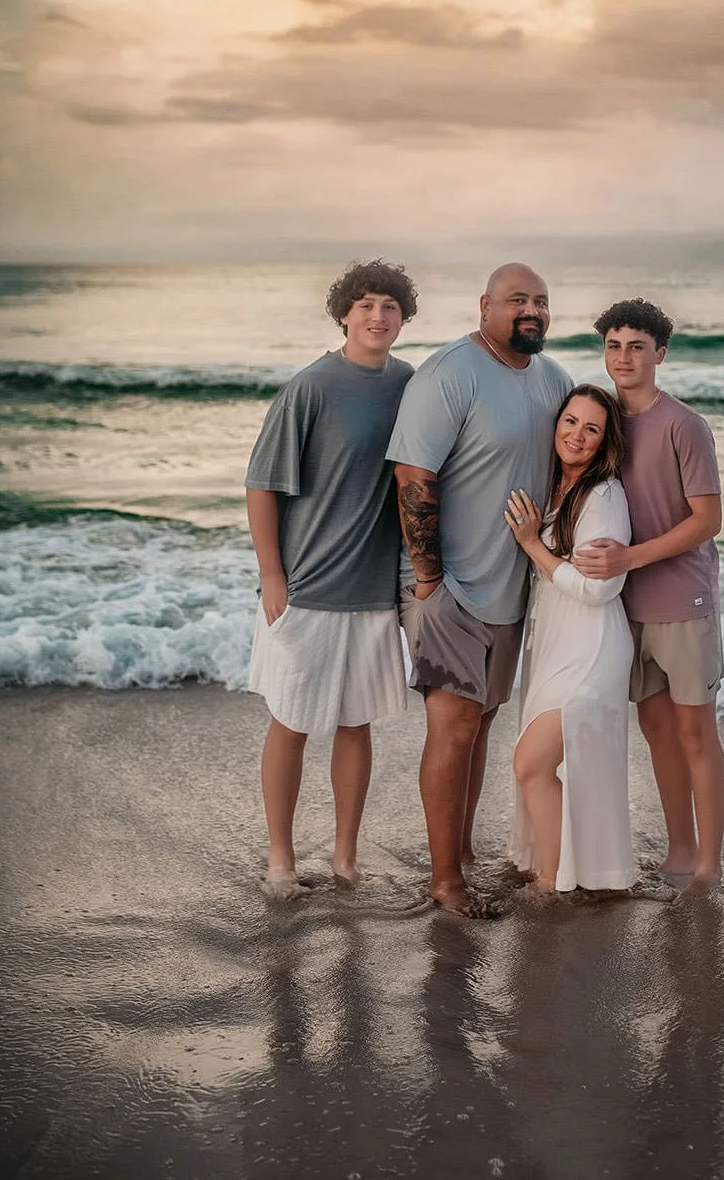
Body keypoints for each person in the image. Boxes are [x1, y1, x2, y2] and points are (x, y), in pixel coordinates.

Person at [387, 263, 572, 917]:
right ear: (485, 306)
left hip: (513, 589)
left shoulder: (553, 379)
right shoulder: (450, 373)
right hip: (451, 588)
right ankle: (445, 883)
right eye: (517, 299)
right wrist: (430, 581)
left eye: (541, 301)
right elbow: (413, 474)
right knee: (453, 726)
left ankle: (459, 853)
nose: (532, 310)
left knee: (482, 722)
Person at [245, 259, 418, 898]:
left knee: (355, 724)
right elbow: (261, 483)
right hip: (309, 587)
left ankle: (346, 859)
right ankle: (281, 859)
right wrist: (272, 574)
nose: (378, 317)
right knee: (291, 722)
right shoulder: (311, 387)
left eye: (391, 308)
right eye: (367, 304)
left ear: (404, 320)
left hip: (374, 592)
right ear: (344, 313)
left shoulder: (410, 385)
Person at [574, 299, 724, 890]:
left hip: (682, 605)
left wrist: (629, 558)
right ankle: (679, 851)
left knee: (696, 734)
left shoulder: (684, 425)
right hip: (626, 608)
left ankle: (709, 865)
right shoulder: (605, 421)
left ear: (660, 354)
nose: (623, 357)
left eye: (636, 346)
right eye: (614, 345)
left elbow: (706, 519)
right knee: (657, 732)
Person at [505, 385, 636, 895]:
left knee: (531, 762)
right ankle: (570, 871)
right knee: (542, 766)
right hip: (559, 648)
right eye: (570, 421)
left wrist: (533, 545)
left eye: (591, 429)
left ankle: (551, 881)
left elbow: (598, 587)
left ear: (605, 442)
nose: (576, 435)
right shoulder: (554, 486)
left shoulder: (604, 495)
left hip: (593, 649)